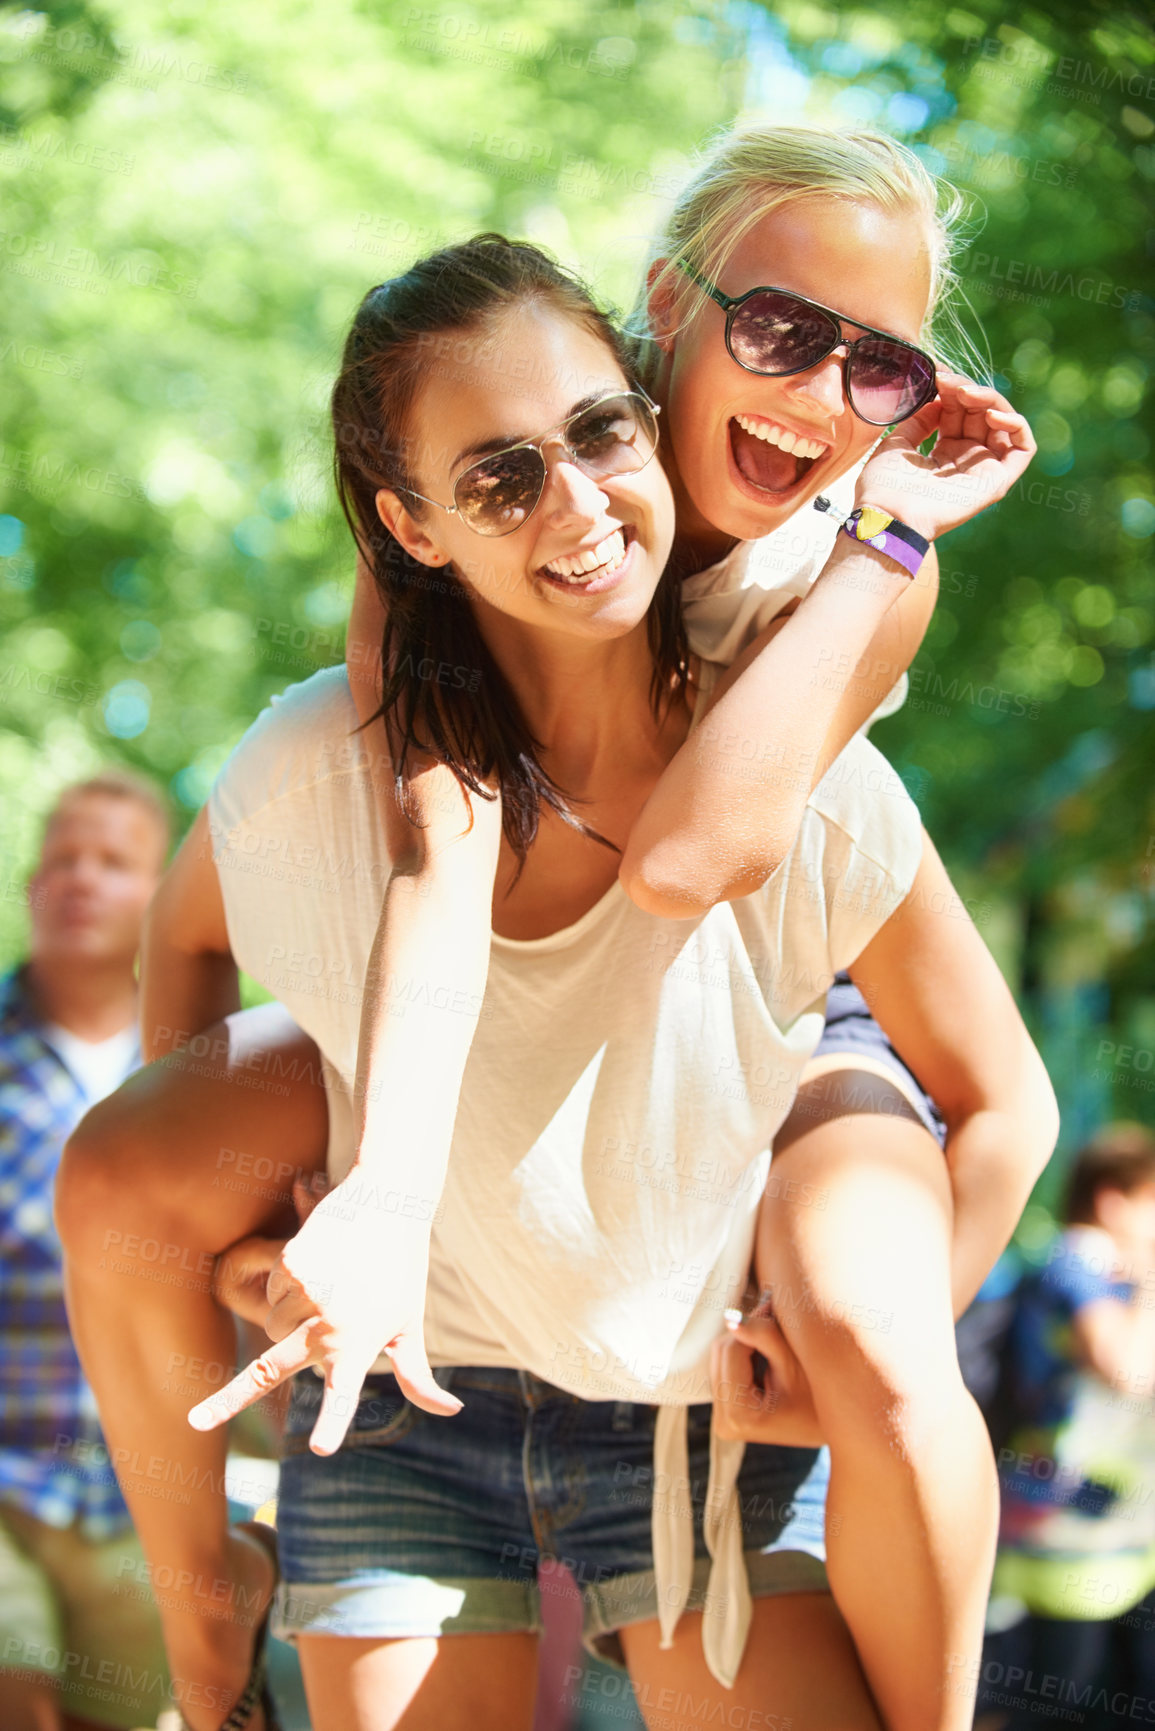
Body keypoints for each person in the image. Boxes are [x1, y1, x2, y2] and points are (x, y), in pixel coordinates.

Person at [57, 231, 1056, 1731]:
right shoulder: (315, 774)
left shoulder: (798, 779)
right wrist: (270, 1233)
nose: (578, 503)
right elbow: (211, 929)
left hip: (684, 1406)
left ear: (646, 413)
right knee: (120, 1163)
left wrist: (857, 1364)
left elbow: (993, 1095)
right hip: (417, 1392)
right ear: (411, 524)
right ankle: (210, 1670)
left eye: (598, 432)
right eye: (499, 477)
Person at [0, 774, 172, 1731]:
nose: (81, 879)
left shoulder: (195, 1066)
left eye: (112, 862)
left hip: (133, 1490)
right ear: (30, 885)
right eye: (62, 858)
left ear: (157, 894)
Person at [973, 1125, 1155, 1729]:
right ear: (1114, 1200)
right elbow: (1126, 1369)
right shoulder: (1076, 1265)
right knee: (1056, 1710)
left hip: (1103, 1546)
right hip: (1063, 1547)